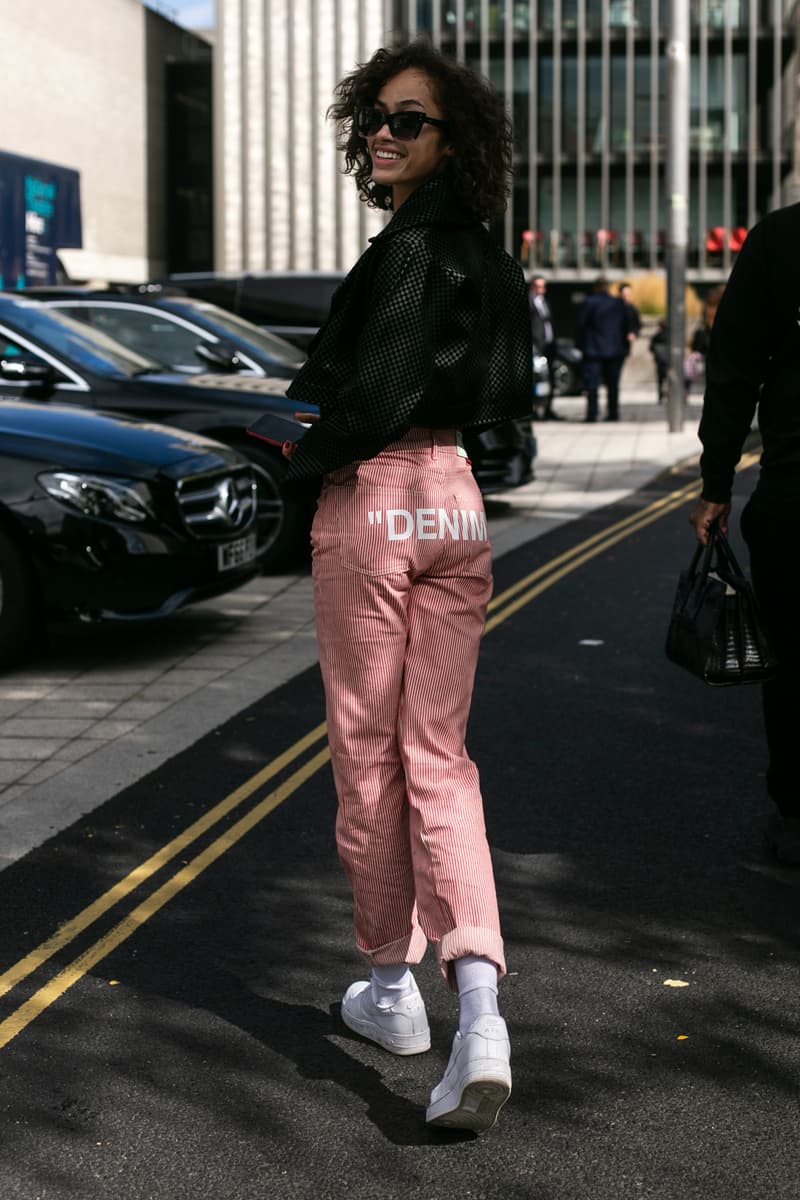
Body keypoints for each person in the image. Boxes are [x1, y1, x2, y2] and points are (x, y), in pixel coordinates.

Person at [278, 41, 532, 1130]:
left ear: (450, 139)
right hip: (454, 498)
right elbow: (503, 388)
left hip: (377, 502)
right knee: (441, 755)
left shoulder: (408, 252)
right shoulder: (487, 253)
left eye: (408, 121)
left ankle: (391, 990)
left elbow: (366, 395)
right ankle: (478, 1010)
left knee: (368, 755)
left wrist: (291, 451)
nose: (383, 134)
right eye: (375, 118)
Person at [688, 201, 800, 866]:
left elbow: (733, 372)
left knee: (791, 662)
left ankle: (794, 810)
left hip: (794, 496)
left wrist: (715, 485)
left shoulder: (779, 240)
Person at [574, 277, 628, 421]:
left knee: (592, 386)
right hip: (614, 350)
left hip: (593, 350)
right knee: (613, 386)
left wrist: (580, 346)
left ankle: (592, 414)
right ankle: (613, 413)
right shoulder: (618, 303)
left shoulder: (589, 302)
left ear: (596, 287)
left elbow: (580, 325)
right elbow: (626, 326)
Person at [529, 273, 563, 419]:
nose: (541, 289)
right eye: (538, 286)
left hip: (549, 345)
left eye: (543, 286)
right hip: (536, 346)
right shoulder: (529, 302)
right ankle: (535, 409)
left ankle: (548, 408)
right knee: (535, 379)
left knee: (550, 379)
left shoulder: (544, 302)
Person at [618, 281, 642, 360]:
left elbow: (637, 324)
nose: (627, 297)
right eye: (625, 295)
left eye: (629, 295)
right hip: (614, 343)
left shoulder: (632, 309)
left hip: (625, 344)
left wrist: (634, 333)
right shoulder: (614, 307)